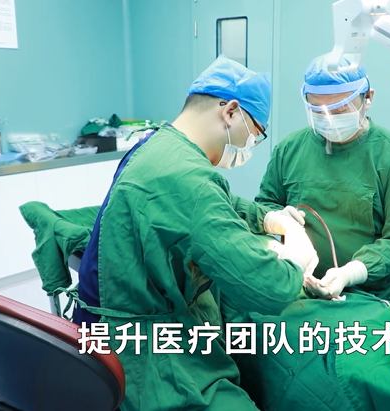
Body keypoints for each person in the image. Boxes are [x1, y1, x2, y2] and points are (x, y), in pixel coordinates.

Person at [70, 55, 318, 411]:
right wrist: (295, 259)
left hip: (106, 330)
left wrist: (269, 218)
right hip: (142, 358)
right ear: (230, 112)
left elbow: (215, 201)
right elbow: (269, 287)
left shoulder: (157, 145)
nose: (250, 146)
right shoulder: (190, 178)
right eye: (255, 134)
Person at [255, 53, 390, 303]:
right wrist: (276, 218)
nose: (328, 119)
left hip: (383, 285)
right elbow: (264, 205)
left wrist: (352, 272)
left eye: (340, 110)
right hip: (306, 281)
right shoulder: (289, 150)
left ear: (368, 98)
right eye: (318, 111)